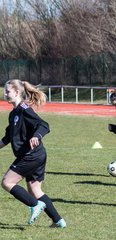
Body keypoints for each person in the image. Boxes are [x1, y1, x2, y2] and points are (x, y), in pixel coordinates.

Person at [0, 79, 66, 228]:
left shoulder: (24, 109)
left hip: (31, 156)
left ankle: (35, 205)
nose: (4, 93)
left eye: (7, 91)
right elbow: (6, 139)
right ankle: (58, 221)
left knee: (7, 182)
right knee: (35, 190)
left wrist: (37, 136)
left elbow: (43, 125)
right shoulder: (13, 114)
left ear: (17, 92)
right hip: (37, 155)